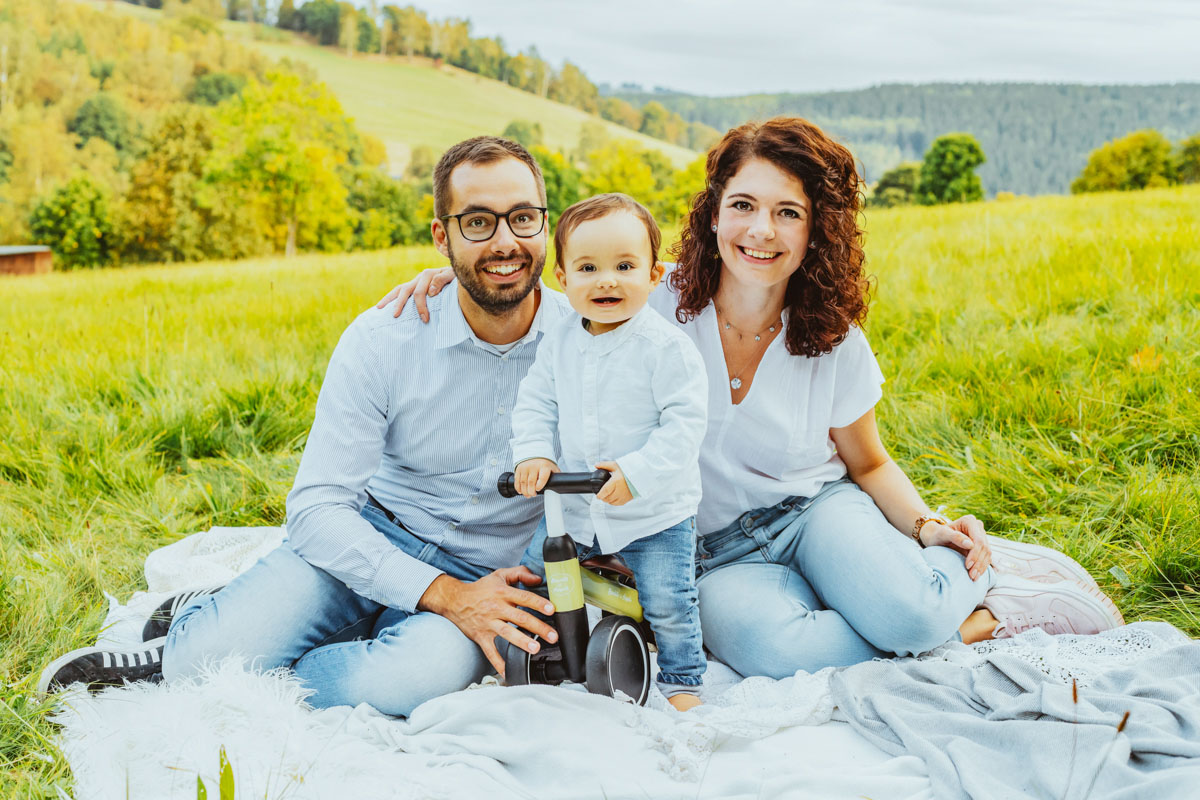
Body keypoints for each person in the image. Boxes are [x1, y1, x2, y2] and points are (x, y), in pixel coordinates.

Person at [380, 118, 1124, 679]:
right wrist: (447, 277)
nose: (759, 231)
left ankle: (1003, 592)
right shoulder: (652, 303)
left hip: (814, 515)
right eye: (742, 205)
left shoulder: (832, 338)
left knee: (910, 612)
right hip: (713, 555)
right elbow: (561, 282)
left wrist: (927, 525)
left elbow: (867, 464)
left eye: (787, 213)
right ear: (713, 213)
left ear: (815, 231)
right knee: (774, 650)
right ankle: (957, 627)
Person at [37, 136, 574, 715]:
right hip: (374, 535)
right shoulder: (383, 337)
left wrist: (463, 600)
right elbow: (318, 508)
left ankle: (274, 640)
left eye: (522, 219)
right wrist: (439, 595)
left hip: (488, 575)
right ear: (441, 237)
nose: (505, 243)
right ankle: (201, 625)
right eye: (477, 223)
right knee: (200, 667)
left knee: (408, 680)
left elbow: (652, 265)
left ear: (546, 226)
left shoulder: (590, 347)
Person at [510, 193, 708, 711]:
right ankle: (532, 647)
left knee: (669, 601)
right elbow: (536, 401)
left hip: (654, 509)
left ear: (654, 273)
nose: (607, 280)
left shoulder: (666, 348)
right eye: (588, 267)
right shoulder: (558, 343)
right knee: (536, 576)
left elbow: (685, 425)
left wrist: (636, 472)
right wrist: (534, 454)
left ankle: (684, 681)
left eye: (625, 266)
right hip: (575, 505)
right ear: (562, 277)